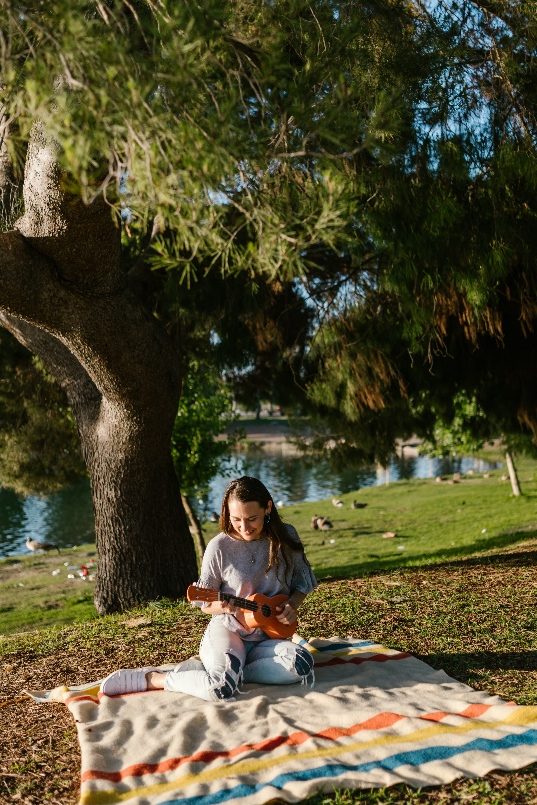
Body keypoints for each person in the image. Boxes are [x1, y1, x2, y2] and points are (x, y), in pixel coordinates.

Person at [100, 476, 317, 701]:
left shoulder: (286, 537)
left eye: (252, 518)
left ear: (268, 507)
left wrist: (292, 604)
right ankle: (154, 678)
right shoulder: (219, 547)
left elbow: (302, 583)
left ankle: (237, 671)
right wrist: (221, 607)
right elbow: (205, 605)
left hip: (270, 636)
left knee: (301, 664)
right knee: (220, 689)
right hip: (230, 631)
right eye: (236, 519)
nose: (244, 527)